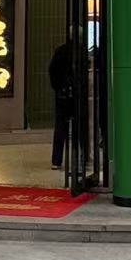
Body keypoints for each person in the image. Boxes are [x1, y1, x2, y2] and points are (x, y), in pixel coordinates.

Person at [49, 37, 76, 169]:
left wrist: (57, 87)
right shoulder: (80, 51)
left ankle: (56, 160)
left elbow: (52, 70)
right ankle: (79, 159)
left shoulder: (61, 51)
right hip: (76, 95)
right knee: (79, 128)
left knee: (60, 127)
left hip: (62, 94)